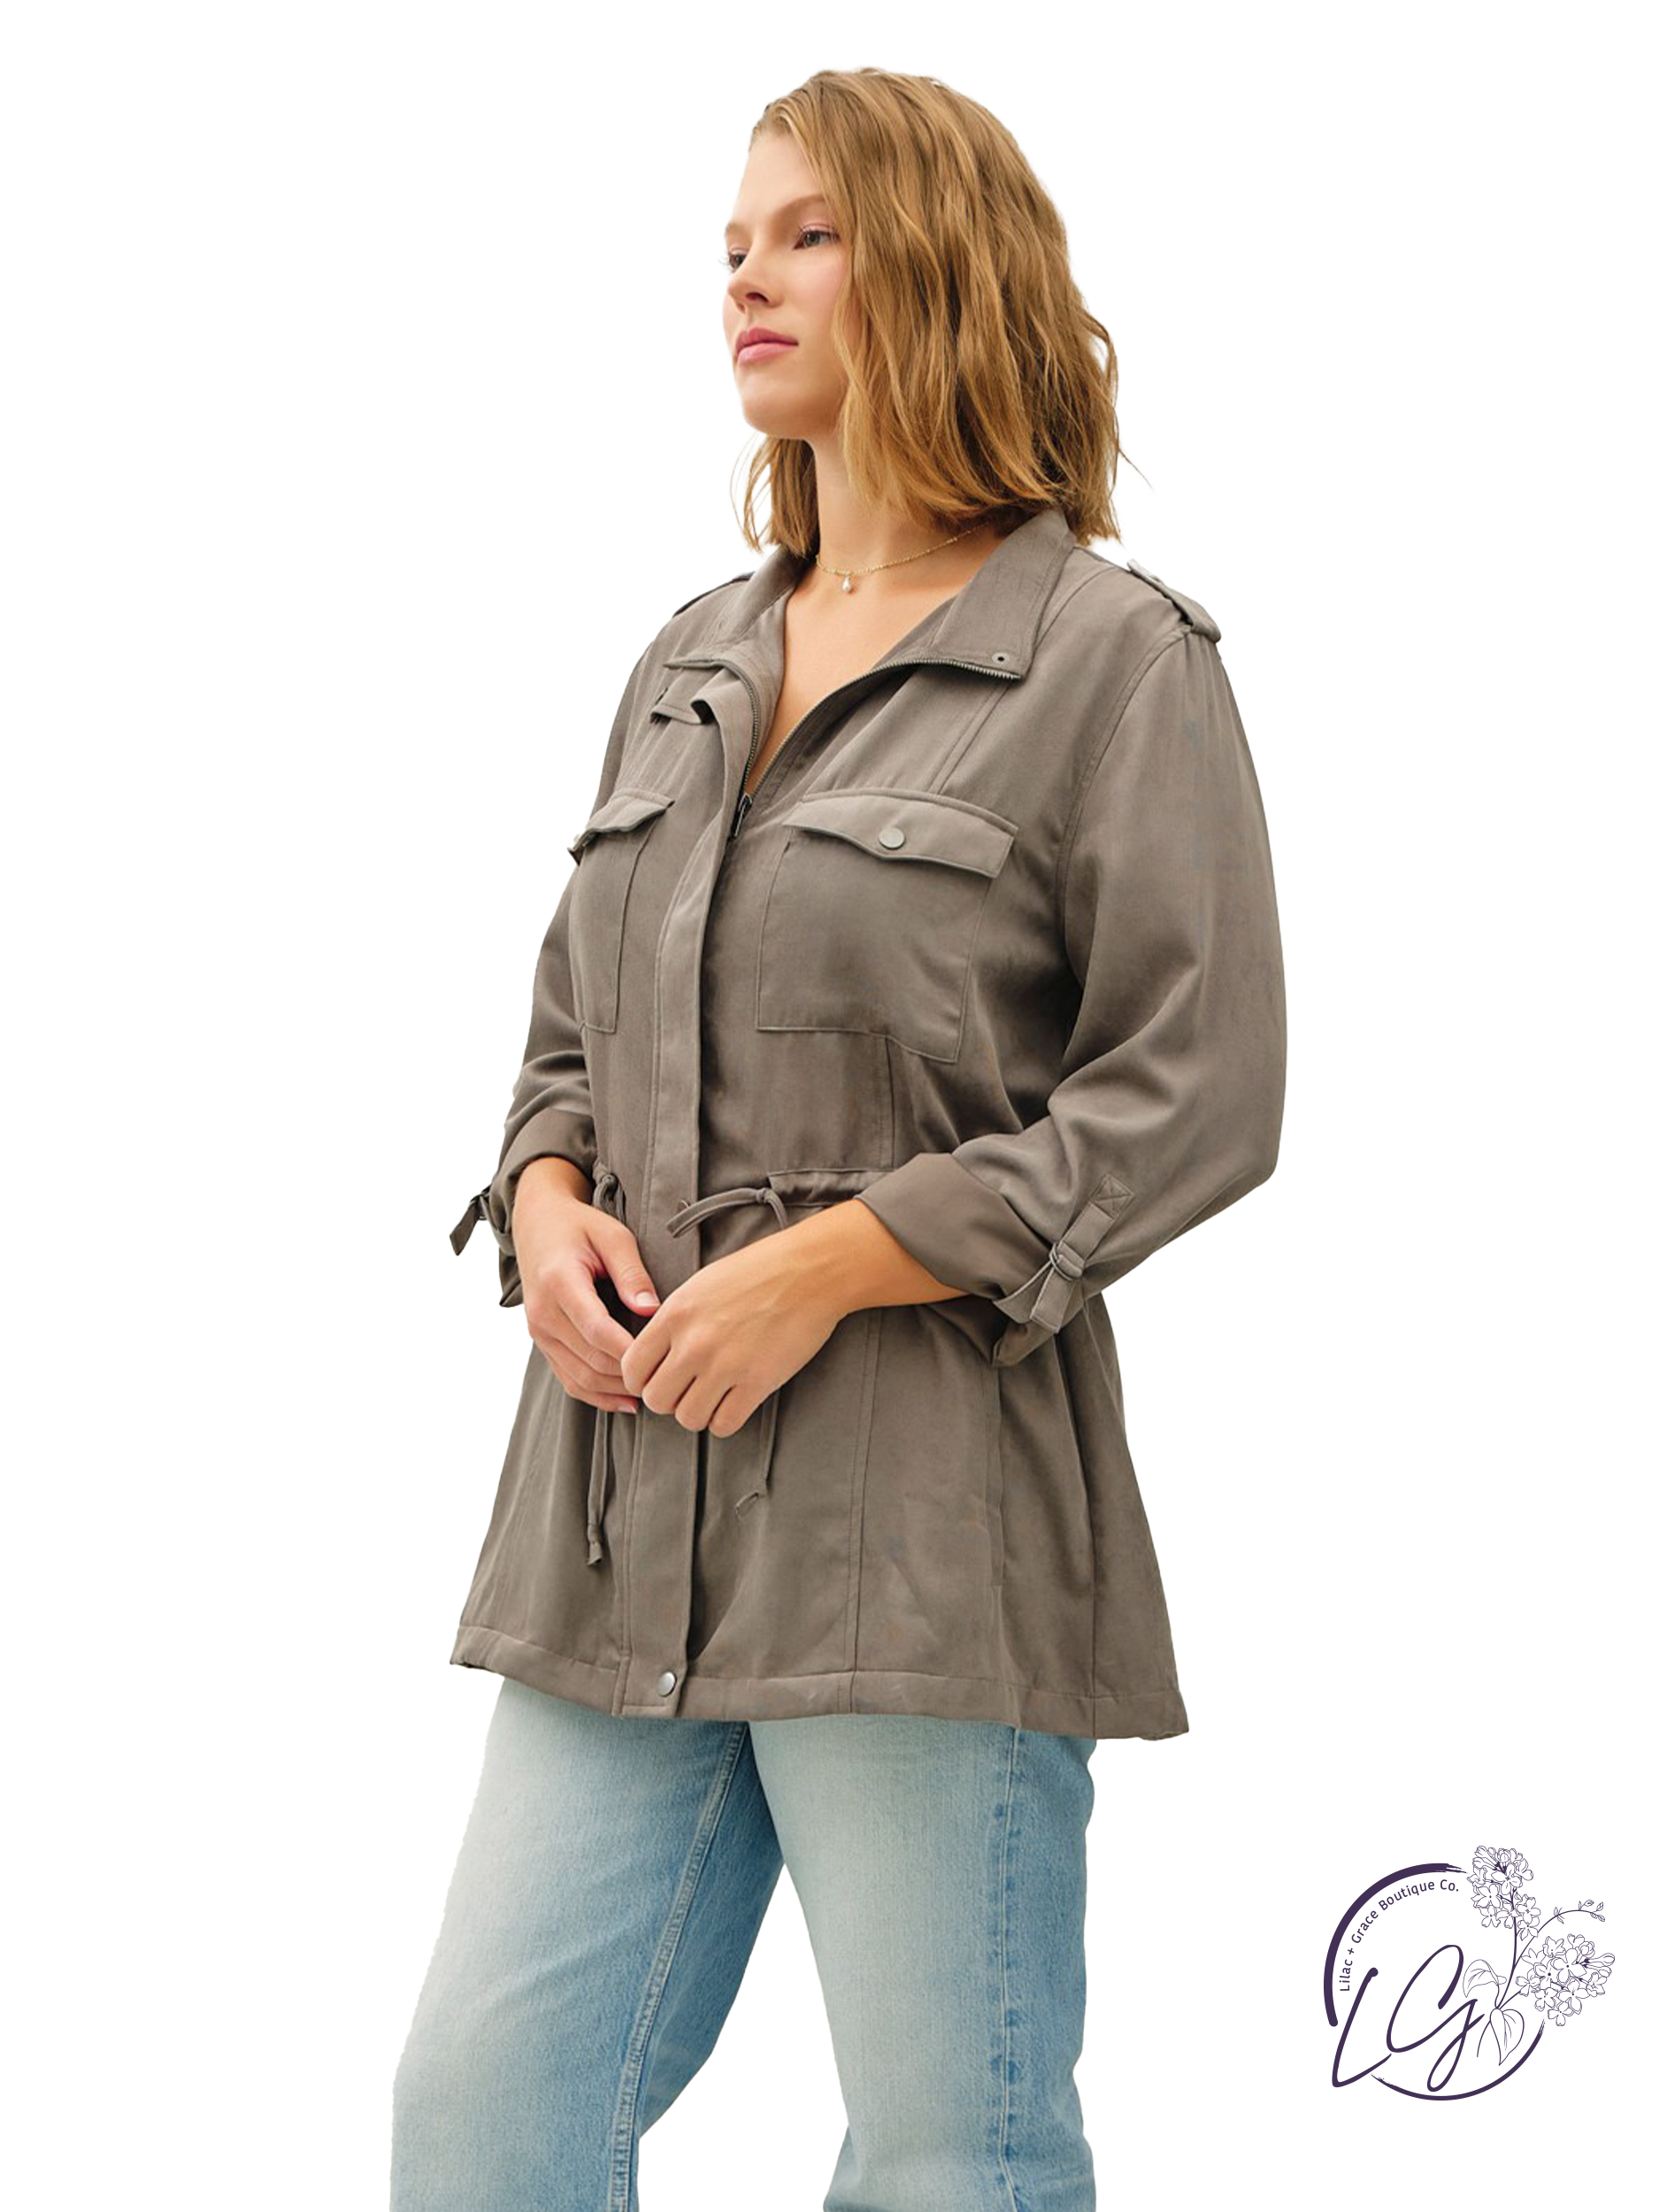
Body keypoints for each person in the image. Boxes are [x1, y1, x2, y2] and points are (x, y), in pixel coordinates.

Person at [392, 65, 1287, 2212]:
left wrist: (836, 1257)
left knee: (951, 2160)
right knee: (483, 2114)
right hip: (622, 1520)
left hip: (927, 1534)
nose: (746, 279)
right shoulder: (691, 660)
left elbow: (1198, 1084)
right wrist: (544, 1206)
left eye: (806, 233)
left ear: (942, 263)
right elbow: (569, 1038)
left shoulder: (1109, 660)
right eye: (731, 244)